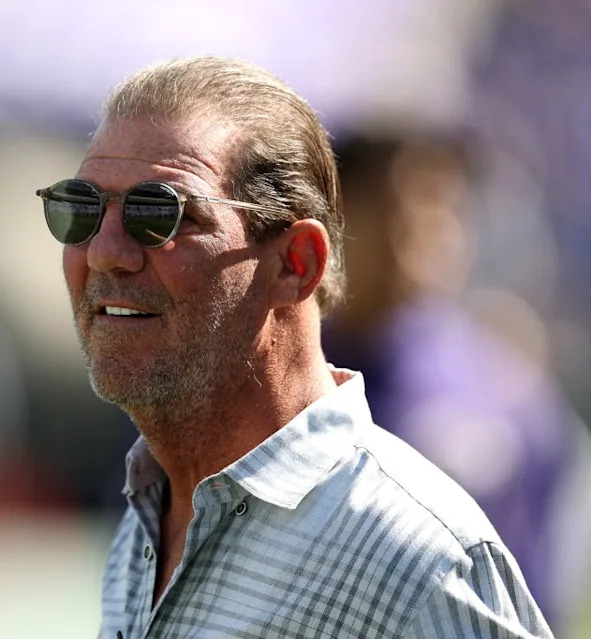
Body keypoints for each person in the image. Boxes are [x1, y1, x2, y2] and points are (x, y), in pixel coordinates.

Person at [35, 57, 553, 638]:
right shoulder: (149, 520)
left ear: (296, 264)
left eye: (158, 213)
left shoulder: (419, 562)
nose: (104, 251)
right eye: (80, 207)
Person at [324, 131, 591, 634]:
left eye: (443, 205)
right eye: (392, 206)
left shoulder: (507, 392)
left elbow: (542, 591)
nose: (423, 229)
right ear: (334, 219)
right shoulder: (276, 377)